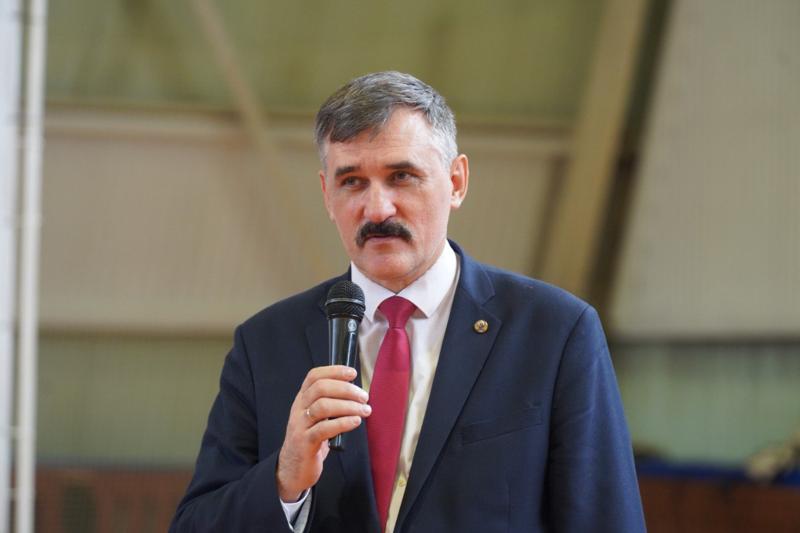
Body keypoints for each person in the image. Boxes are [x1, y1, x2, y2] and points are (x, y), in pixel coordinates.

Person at [170, 71, 645, 533]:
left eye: (401, 176)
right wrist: (284, 479)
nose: (377, 209)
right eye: (352, 181)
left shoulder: (555, 333)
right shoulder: (265, 344)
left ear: (456, 182)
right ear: (327, 194)